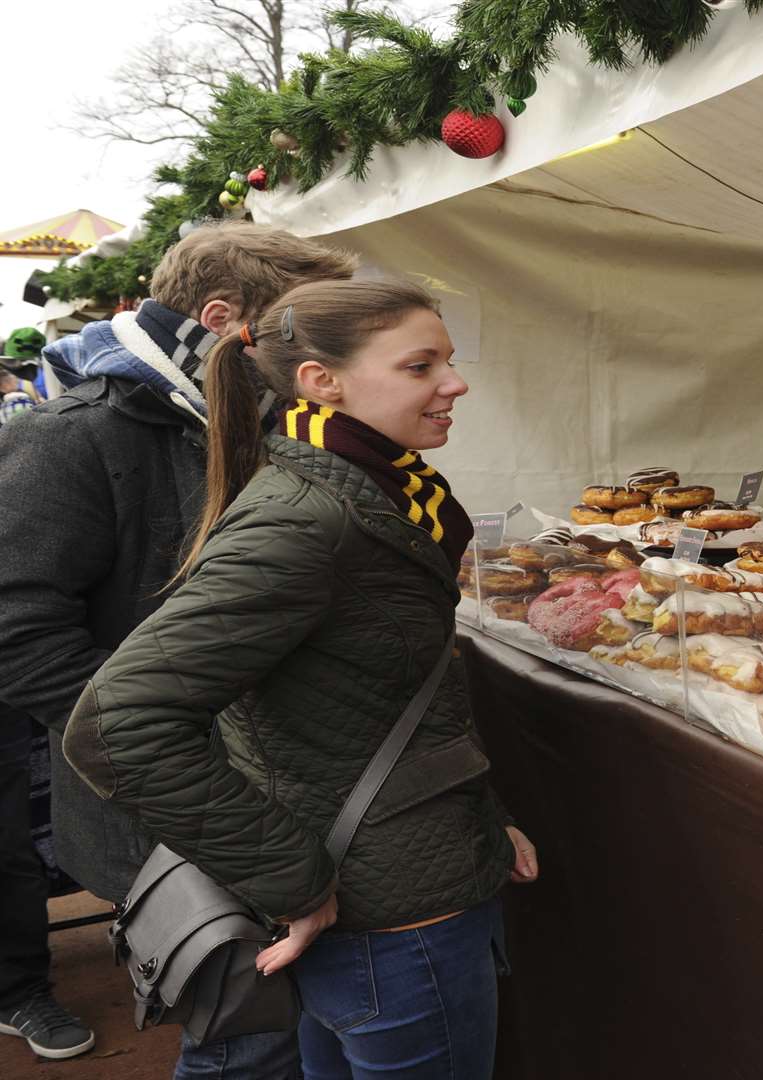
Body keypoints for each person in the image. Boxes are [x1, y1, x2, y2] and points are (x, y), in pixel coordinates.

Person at [63, 279, 536, 1080]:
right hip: (391, 922)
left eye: (448, 362)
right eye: (422, 366)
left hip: (402, 887)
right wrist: (291, 878)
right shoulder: (306, 518)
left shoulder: (377, 492)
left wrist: (481, 825)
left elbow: (385, 703)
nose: (455, 385)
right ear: (322, 381)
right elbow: (118, 723)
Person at [0, 223, 357, 1071]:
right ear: (223, 316)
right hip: (172, 800)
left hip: (280, 779)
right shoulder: (67, 437)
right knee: (246, 1028)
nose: (301, 348)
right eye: (290, 325)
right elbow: (15, 632)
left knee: (296, 1012)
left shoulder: (261, 417)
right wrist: (171, 745)